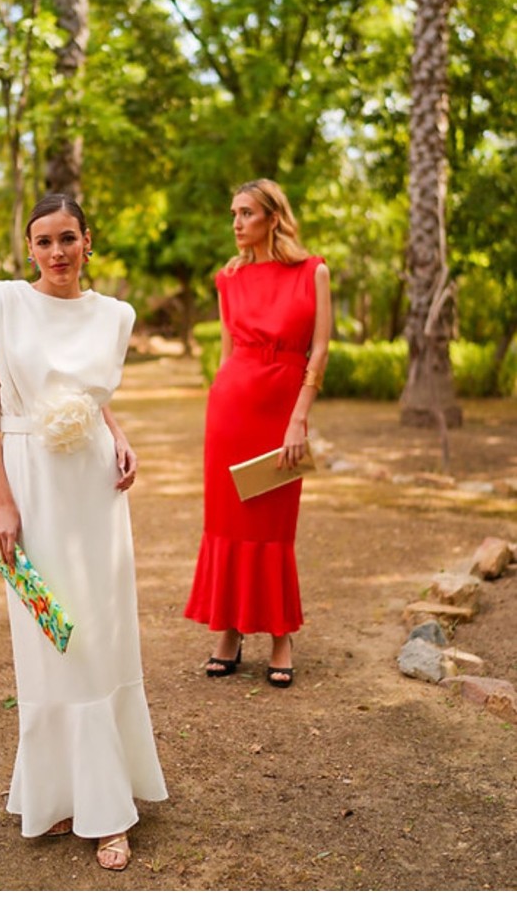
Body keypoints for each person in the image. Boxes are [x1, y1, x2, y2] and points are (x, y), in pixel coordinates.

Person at [0, 193, 167, 872]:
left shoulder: (114, 316)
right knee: (48, 633)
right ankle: (56, 793)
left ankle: (109, 807)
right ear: (30, 248)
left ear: (89, 241)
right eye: (43, 241)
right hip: (30, 485)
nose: (56, 252)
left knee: (99, 631)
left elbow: (93, 396)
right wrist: (1, 500)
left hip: (94, 493)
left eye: (67, 239)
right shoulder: (0, 303)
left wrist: (118, 434)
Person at [184, 178, 331, 688]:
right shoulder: (229, 278)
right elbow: (226, 354)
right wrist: (218, 402)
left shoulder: (313, 272)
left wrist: (299, 417)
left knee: (273, 524)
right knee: (226, 522)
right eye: (234, 214)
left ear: (273, 216)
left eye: (246, 212)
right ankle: (227, 630)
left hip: (282, 408)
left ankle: (280, 636)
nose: (237, 222)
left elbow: (319, 351)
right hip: (231, 408)